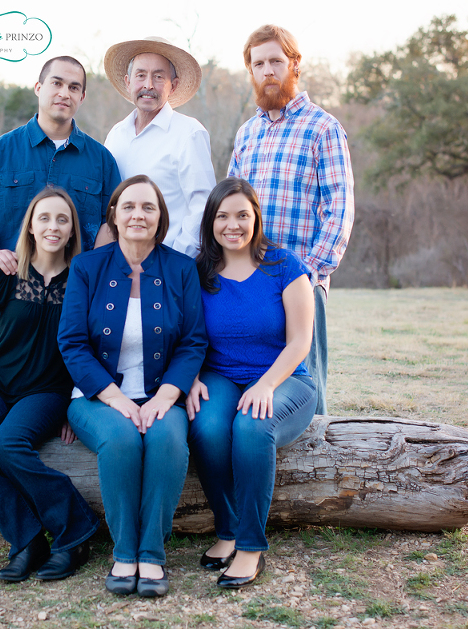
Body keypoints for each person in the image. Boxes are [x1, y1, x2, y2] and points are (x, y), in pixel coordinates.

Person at [0, 187, 99, 583]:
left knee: (8, 444)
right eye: (44, 218)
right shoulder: (4, 272)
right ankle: (26, 540)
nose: (53, 227)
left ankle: (74, 531)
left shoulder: (84, 279)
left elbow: (90, 347)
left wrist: (76, 404)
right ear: (30, 225)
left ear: (73, 229)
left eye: (62, 219)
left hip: (46, 389)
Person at [58, 175, 207, 597]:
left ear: (160, 218)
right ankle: (124, 553)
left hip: (163, 392)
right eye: (129, 207)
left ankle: (151, 554)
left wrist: (166, 394)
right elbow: (71, 341)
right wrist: (114, 397)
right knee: (121, 440)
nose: (138, 215)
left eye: (148, 208)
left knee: (169, 442)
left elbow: (194, 339)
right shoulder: (88, 267)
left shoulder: (180, 269)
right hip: (95, 396)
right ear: (114, 215)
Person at [187, 177, 317, 589]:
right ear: (210, 222)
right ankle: (227, 530)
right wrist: (189, 377)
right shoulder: (199, 272)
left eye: (243, 215)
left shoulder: (285, 265)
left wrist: (266, 384)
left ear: (256, 217)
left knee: (251, 426)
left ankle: (250, 547)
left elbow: (300, 340)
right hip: (221, 375)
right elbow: (185, 334)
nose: (233, 224)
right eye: (223, 216)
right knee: (206, 427)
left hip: (286, 378)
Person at [228, 24, 354, 415]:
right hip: (250, 281)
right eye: (258, 63)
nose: (267, 71)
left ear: (294, 65)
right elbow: (231, 208)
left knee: (305, 389)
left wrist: (307, 276)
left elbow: (340, 210)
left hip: (300, 282)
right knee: (256, 389)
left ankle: (318, 469)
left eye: (276, 62)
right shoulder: (247, 134)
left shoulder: (323, 128)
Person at [0, 55, 121, 276]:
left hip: (73, 290)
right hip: (10, 285)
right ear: (38, 87)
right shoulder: (0, 151)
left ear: (82, 97)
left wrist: (92, 269)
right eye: (57, 83)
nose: (64, 94)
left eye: (74, 88)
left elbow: (112, 221)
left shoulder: (101, 160)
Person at [103, 37, 216, 257]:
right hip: (119, 265)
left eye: (158, 76)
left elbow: (202, 206)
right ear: (128, 82)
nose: (148, 85)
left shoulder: (189, 133)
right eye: (141, 75)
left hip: (168, 264)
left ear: (172, 86)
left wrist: (177, 260)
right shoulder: (116, 135)